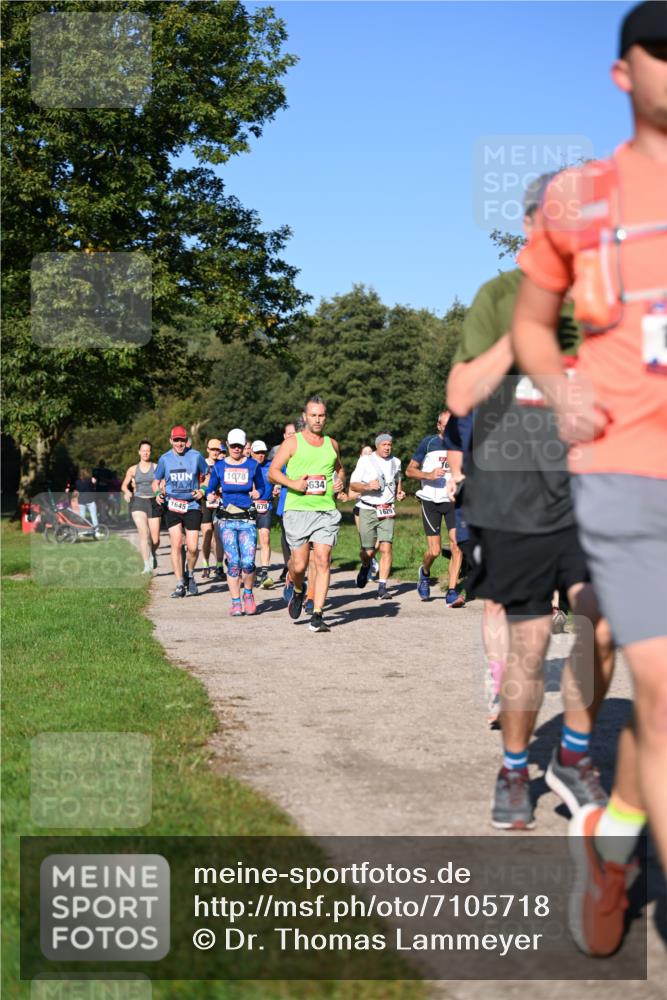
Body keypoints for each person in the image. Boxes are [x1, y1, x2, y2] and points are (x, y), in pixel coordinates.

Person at [511, 0, 667, 953]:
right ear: (623, 73)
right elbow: (533, 324)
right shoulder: (580, 198)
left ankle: (611, 844)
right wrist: (561, 385)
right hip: (627, 472)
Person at [447, 173, 616, 833]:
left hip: (591, 490)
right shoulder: (500, 296)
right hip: (513, 496)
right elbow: (460, 394)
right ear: (529, 226)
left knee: (600, 624)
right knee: (532, 637)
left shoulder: (607, 300)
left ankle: (571, 755)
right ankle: (515, 768)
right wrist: (518, 340)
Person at [269, 395, 345, 633]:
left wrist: (339, 482)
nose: (317, 420)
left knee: (323, 559)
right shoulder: (293, 443)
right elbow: (273, 472)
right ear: (305, 417)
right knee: (300, 565)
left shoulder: (332, 444)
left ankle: (317, 614)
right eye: (313, 415)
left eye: (321, 415)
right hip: (297, 510)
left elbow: (339, 470)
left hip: (325, 511)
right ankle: (297, 588)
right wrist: (293, 483)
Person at [405, 411, 464, 607]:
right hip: (431, 500)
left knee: (457, 545)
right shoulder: (428, 443)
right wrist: (428, 475)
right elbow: (409, 470)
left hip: (453, 500)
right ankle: (425, 572)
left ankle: (452, 592)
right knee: (435, 550)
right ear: (439, 426)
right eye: (446, 426)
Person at [206, 428, 265, 616]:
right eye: (233, 446)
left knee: (247, 562)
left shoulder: (252, 465)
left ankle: (248, 594)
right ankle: (235, 602)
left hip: (247, 519)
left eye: (240, 445)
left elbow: (262, 487)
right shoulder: (219, 467)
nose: (237, 449)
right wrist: (210, 495)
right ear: (228, 445)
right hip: (227, 520)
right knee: (233, 563)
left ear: (244, 445)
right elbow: (210, 488)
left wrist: (257, 493)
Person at [152, 425, 208, 599]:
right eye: (176, 440)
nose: (179, 443)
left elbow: (208, 476)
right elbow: (156, 481)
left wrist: (203, 490)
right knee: (176, 544)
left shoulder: (196, 456)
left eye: (182, 440)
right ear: (171, 441)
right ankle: (179, 583)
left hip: (192, 505)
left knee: (192, 547)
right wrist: (157, 493)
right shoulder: (164, 459)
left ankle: (190, 574)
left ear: (186, 440)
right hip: (173, 505)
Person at [350, 433, 405, 599]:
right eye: (384, 445)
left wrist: (399, 492)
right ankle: (366, 565)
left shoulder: (396, 462)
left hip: (387, 509)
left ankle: (382, 587)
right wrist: (368, 486)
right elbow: (353, 485)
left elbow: (398, 478)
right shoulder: (365, 461)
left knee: (386, 547)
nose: (387, 448)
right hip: (367, 509)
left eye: (389, 444)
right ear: (377, 446)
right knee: (367, 551)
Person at [121, 441, 161, 574]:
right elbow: (124, 485)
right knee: (144, 534)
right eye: (143, 450)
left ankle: (153, 553)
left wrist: (161, 491)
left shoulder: (156, 467)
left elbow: (163, 482)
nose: (145, 453)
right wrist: (127, 492)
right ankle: (146, 565)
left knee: (155, 539)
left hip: (154, 502)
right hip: (138, 502)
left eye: (148, 450)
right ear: (139, 452)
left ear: (150, 452)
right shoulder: (132, 469)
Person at [251, 439, 275, 589]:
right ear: (251, 453)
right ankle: (250, 570)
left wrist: (277, 486)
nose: (261, 455)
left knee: (265, 537)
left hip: (266, 506)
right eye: (257, 452)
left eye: (263, 452)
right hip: (249, 507)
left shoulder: (271, 465)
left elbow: (283, 475)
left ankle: (264, 572)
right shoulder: (246, 465)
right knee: (250, 541)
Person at [200, 439, 226, 580]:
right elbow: (196, 482)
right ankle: (205, 564)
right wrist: (203, 490)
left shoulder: (223, 464)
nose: (215, 452)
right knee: (207, 533)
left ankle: (219, 566)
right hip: (204, 503)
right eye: (213, 449)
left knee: (218, 534)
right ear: (208, 450)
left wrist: (222, 488)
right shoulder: (201, 464)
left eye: (218, 450)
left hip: (219, 502)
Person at [274, 421, 297, 583]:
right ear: (284, 436)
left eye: (294, 434)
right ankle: (288, 566)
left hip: (303, 500)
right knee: (286, 535)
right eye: (289, 434)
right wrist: (277, 483)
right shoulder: (282, 453)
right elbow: (273, 472)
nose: (292, 436)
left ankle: (297, 566)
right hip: (286, 500)